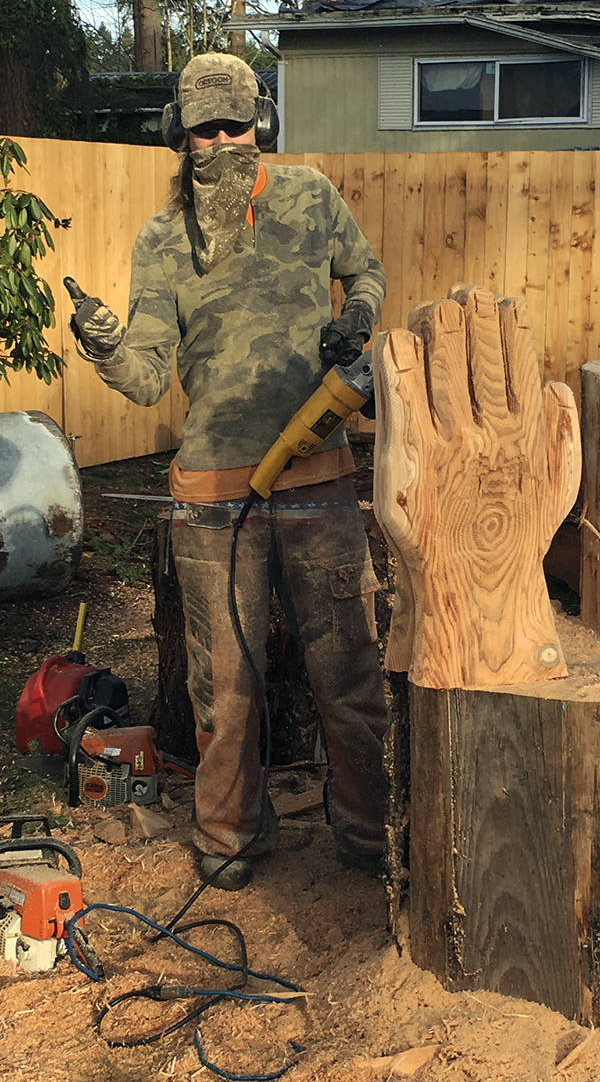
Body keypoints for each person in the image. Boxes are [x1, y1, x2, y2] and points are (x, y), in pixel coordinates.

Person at [67, 52, 388, 889]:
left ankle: (371, 833)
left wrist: (356, 316)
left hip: (316, 478)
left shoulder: (311, 196)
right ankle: (229, 836)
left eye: (234, 125)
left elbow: (366, 270)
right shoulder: (161, 240)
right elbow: (147, 376)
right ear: (178, 135)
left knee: (348, 673)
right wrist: (106, 347)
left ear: (262, 125)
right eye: (203, 129)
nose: (219, 141)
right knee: (223, 687)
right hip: (212, 498)